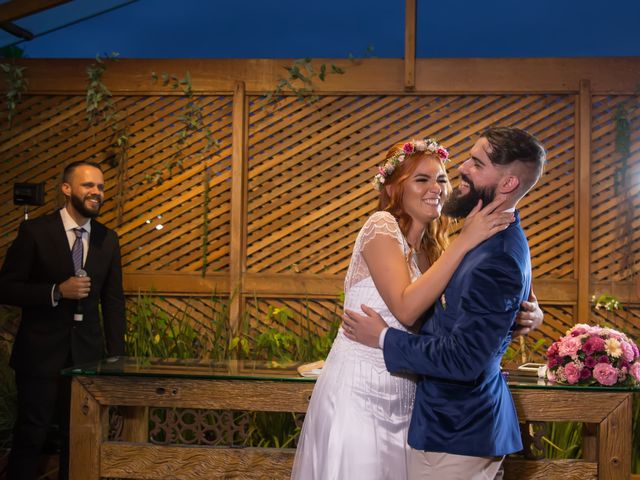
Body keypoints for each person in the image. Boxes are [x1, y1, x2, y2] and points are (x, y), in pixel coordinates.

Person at [291, 136, 542, 480]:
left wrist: (532, 311)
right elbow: (407, 310)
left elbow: (485, 292)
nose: (437, 187)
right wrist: (466, 239)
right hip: (362, 392)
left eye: (440, 178)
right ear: (394, 188)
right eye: (421, 179)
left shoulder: (435, 249)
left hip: (411, 400)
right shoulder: (381, 227)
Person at [0, 161, 126, 480]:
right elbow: (6, 287)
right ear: (67, 189)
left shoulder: (107, 239)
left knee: (80, 437)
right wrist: (57, 291)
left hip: (87, 357)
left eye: (100, 187)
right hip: (39, 355)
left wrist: (116, 356)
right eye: (88, 186)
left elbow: (113, 302)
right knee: (32, 433)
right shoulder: (36, 231)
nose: (96, 192)